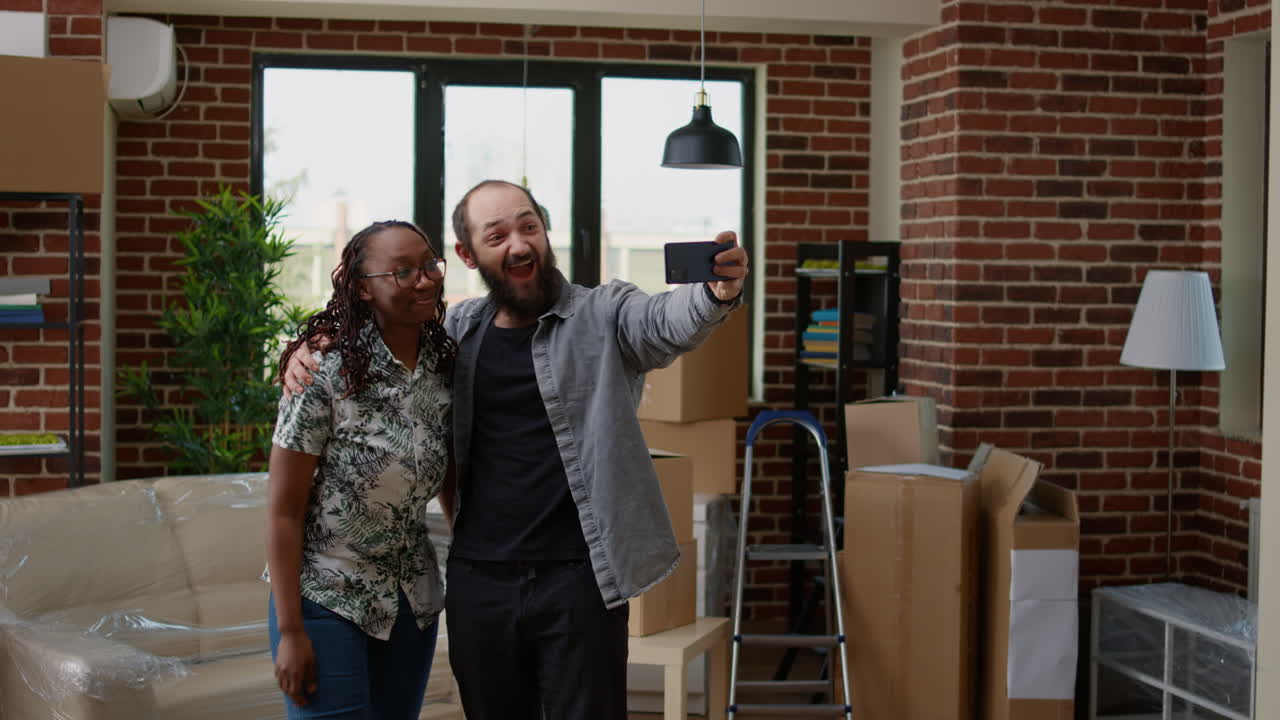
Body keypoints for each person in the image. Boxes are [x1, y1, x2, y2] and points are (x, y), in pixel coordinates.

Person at [282, 179, 748, 720]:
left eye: (529, 226)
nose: (519, 244)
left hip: (580, 581)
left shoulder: (605, 313)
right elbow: (381, 326)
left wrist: (714, 294)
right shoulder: (455, 332)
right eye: (497, 236)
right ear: (468, 255)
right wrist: (308, 344)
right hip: (479, 583)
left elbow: (665, 322)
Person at [266, 220, 456, 720]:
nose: (424, 280)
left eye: (430, 265)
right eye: (403, 271)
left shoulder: (444, 366)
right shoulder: (322, 372)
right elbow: (283, 511)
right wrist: (290, 631)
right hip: (327, 597)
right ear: (362, 287)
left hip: (412, 599)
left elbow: (452, 478)